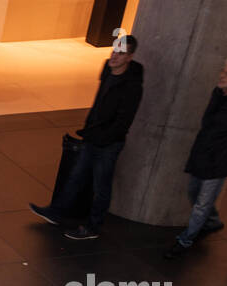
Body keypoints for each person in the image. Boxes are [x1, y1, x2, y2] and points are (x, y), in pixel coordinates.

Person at [28, 34, 142, 241]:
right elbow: (98, 101)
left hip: (108, 143)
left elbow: (124, 120)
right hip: (93, 136)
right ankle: (57, 212)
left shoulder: (132, 86)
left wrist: (104, 137)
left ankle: (93, 227)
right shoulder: (107, 68)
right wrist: (89, 128)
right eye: (114, 50)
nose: (114, 56)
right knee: (76, 177)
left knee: (101, 186)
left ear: (130, 57)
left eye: (121, 53)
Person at [164, 55, 227, 259]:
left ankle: (186, 240)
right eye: (223, 71)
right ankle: (213, 222)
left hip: (219, 161)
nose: (222, 75)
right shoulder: (219, 92)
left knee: (202, 203)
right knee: (194, 192)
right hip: (202, 154)